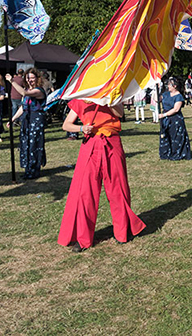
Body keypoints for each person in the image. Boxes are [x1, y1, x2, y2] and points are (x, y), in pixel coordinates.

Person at [58, 100, 146, 253]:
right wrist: (82, 128)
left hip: (112, 143)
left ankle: (122, 232)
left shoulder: (112, 95)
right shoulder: (80, 98)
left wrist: (107, 99)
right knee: (85, 193)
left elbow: (120, 113)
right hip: (90, 145)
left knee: (118, 189)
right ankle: (83, 238)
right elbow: (66, 125)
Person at [6, 68, 47, 179]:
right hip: (26, 119)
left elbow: (24, 93)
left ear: (37, 78)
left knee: (34, 144)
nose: (30, 80)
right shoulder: (27, 89)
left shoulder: (39, 91)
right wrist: (12, 119)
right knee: (26, 144)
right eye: (28, 78)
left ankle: (34, 170)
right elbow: (22, 107)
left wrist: (12, 81)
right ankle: (28, 169)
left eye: (32, 78)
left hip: (36, 120)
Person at [158, 77, 191, 161]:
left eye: (170, 85)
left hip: (175, 119)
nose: (168, 86)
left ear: (175, 86)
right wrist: (156, 89)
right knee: (165, 135)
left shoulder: (179, 96)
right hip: (165, 119)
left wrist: (164, 115)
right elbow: (156, 99)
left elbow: (176, 109)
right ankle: (166, 153)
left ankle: (176, 153)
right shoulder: (165, 94)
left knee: (175, 137)